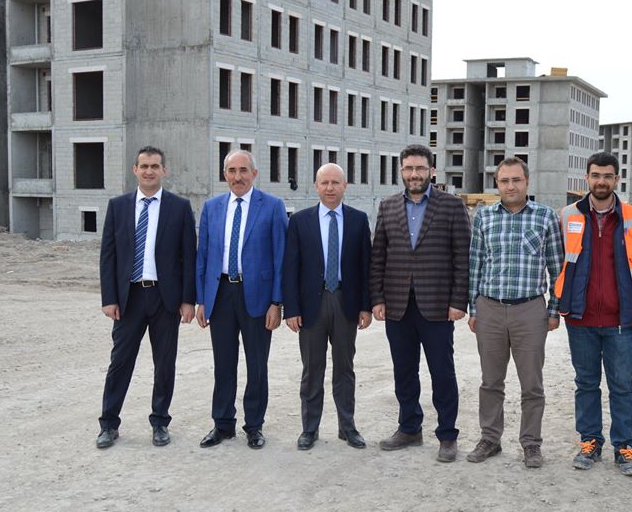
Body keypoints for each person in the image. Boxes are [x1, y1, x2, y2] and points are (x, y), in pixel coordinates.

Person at [370, 144, 471, 462]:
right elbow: (378, 255)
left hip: (438, 305)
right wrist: (377, 298)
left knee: (442, 372)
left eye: (420, 168)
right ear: (401, 171)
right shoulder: (388, 206)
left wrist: (459, 300)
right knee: (404, 371)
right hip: (397, 305)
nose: (414, 174)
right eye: (409, 168)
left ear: (431, 171)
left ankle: (447, 435)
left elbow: (462, 257)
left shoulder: (452, 206)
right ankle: (409, 428)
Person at [465, 157, 563, 469]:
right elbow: (475, 265)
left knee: (532, 384)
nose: (510, 186)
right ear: (497, 183)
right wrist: (473, 308)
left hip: (530, 310)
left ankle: (531, 443)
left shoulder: (545, 217)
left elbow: (558, 268)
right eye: (504, 180)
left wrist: (554, 310)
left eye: (516, 180)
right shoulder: (484, 217)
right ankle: (490, 438)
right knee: (490, 381)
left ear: (527, 182)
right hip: (490, 309)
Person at [97, 146, 196, 448]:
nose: (149, 171)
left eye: (155, 166)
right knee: (120, 362)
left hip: (165, 299)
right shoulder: (118, 206)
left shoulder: (179, 207)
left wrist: (188, 300)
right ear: (135, 170)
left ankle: (160, 422)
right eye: (144, 166)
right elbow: (108, 255)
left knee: (164, 364)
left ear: (164, 170)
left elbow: (188, 257)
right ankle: (108, 424)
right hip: (129, 298)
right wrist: (109, 298)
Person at [556, 152, 632, 476]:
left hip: (620, 318)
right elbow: (558, 262)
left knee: (622, 385)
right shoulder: (567, 215)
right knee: (586, 383)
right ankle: (590, 442)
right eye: (596, 175)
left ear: (617, 179)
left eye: (608, 176)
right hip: (580, 318)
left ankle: (624, 447)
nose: (601, 181)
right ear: (587, 178)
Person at [195, 150, 288, 450]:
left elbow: (281, 257)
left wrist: (277, 302)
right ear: (225, 174)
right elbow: (203, 256)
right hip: (221, 293)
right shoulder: (212, 208)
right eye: (232, 171)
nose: (238, 177)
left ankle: (254, 426)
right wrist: (201, 300)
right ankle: (223, 424)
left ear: (254, 174)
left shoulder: (272, 206)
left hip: (258, 296)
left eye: (243, 170)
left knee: (256, 365)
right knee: (223, 363)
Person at [282, 163, 372, 450]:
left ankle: (347, 427)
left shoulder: (358, 220)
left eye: (335, 183)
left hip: (346, 302)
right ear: (316, 186)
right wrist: (291, 309)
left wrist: (365, 306)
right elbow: (290, 268)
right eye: (325, 183)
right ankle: (310, 429)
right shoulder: (300, 221)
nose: (330, 188)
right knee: (312, 369)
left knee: (345, 368)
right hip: (312, 304)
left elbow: (366, 267)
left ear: (345, 186)